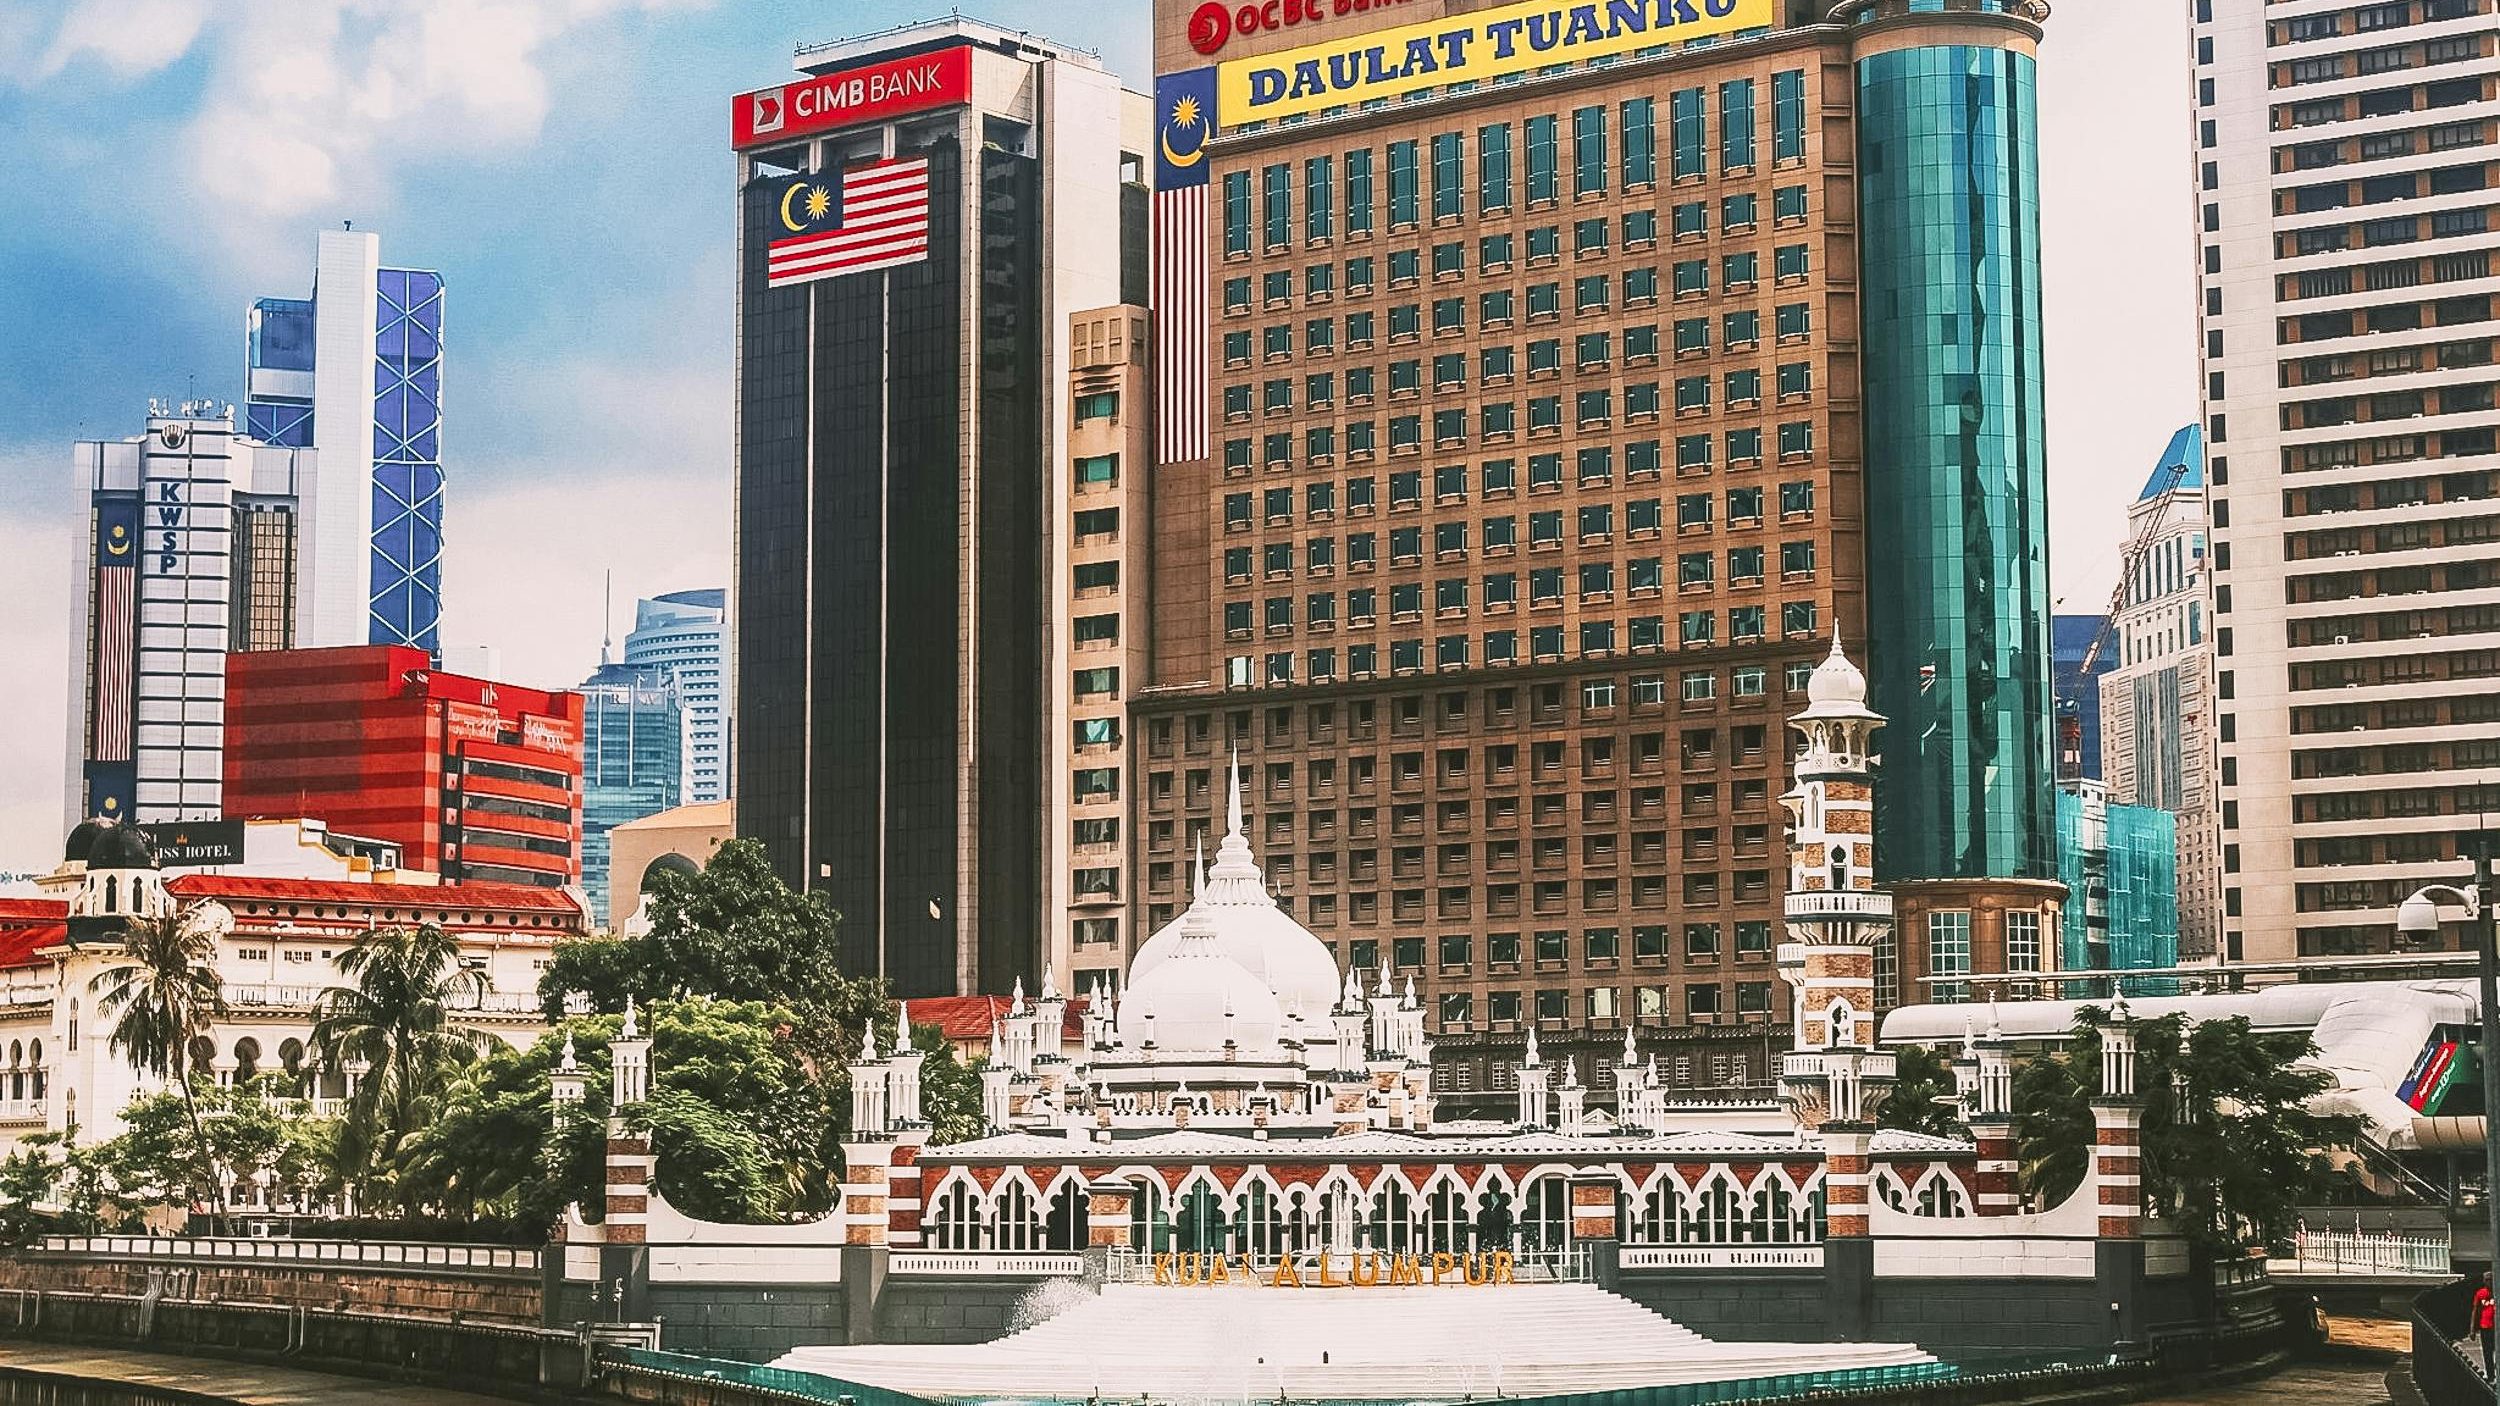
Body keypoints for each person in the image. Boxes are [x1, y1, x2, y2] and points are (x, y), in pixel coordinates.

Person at [2475, 1270, 2496, 1375]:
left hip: (2496, 1327)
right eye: (2487, 1280)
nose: (2489, 1282)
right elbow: (2475, 1311)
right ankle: (2490, 1374)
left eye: (2490, 1280)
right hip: (2485, 1327)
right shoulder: (2480, 1293)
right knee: (2487, 1352)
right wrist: (2472, 1329)